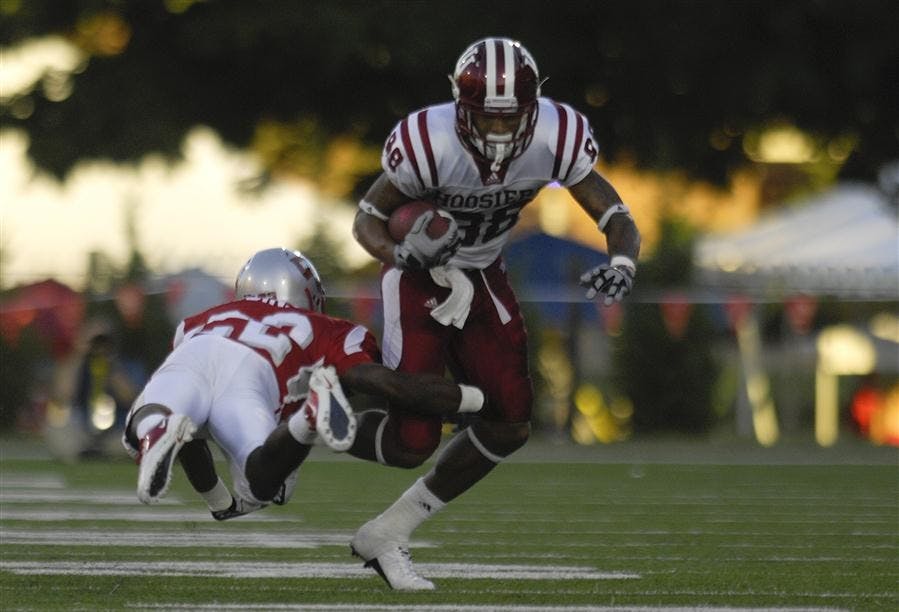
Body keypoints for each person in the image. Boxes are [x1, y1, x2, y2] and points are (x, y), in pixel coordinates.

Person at [350, 37, 642, 590]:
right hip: (420, 278)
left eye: (513, 119)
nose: (501, 133)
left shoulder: (558, 134)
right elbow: (367, 219)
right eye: (488, 119)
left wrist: (623, 263)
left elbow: (615, 213)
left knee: (510, 425)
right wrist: (400, 254)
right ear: (461, 107)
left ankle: (389, 531)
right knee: (412, 443)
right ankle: (317, 420)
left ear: (534, 108)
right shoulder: (426, 140)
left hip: (484, 273)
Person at [122, 247, 486, 524]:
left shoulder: (198, 320)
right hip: (254, 371)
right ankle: (307, 420)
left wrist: (218, 503)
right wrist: (467, 399)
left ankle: (156, 430)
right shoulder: (327, 328)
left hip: (196, 350)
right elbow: (379, 381)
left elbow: (191, 443)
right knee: (260, 479)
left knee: (158, 417)